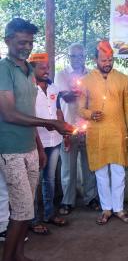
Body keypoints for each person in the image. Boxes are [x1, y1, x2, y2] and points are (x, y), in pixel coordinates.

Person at [0, 18, 74, 261]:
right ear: (8, 40)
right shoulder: (4, 69)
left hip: (30, 147)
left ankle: (19, 255)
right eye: (22, 42)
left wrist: (39, 147)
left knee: (27, 209)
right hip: (10, 149)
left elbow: (30, 110)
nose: (27, 47)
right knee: (21, 212)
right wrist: (51, 123)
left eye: (30, 42)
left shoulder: (28, 71)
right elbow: (9, 113)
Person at [78, 40, 128, 225]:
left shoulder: (123, 79)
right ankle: (106, 209)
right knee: (101, 173)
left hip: (118, 132)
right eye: (103, 60)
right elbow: (80, 108)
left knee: (118, 171)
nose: (107, 63)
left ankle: (118, 209)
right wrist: (89, 114)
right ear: (95, 59)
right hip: (97, 133)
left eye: (110, 59)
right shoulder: (86, 81)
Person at [55, 43, 99, 215]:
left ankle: (91, 198)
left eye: (81, 56)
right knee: (68, 168)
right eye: (74, 56)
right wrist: (82, 92)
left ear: (85, 57)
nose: (78, 59)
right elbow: (66, 96)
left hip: (89, 128)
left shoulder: (91, 75)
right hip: (69, 128)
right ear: (69, 57)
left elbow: (94, 99)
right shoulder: (61, 75)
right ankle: (67, 201)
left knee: (90, 167)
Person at [29, 53, 67, 234]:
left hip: (55, 141)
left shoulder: (53, 88)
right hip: (36, 142)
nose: (47, 70)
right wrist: (38, 145)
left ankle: (49, 214)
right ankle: (33, 219)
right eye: (42, 67)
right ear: (32, 68)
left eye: (48, 67)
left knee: (50, 180)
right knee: (33, 182)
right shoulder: (28, 89)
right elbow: (29, 119)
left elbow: (58, 111)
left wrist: (64, 131)